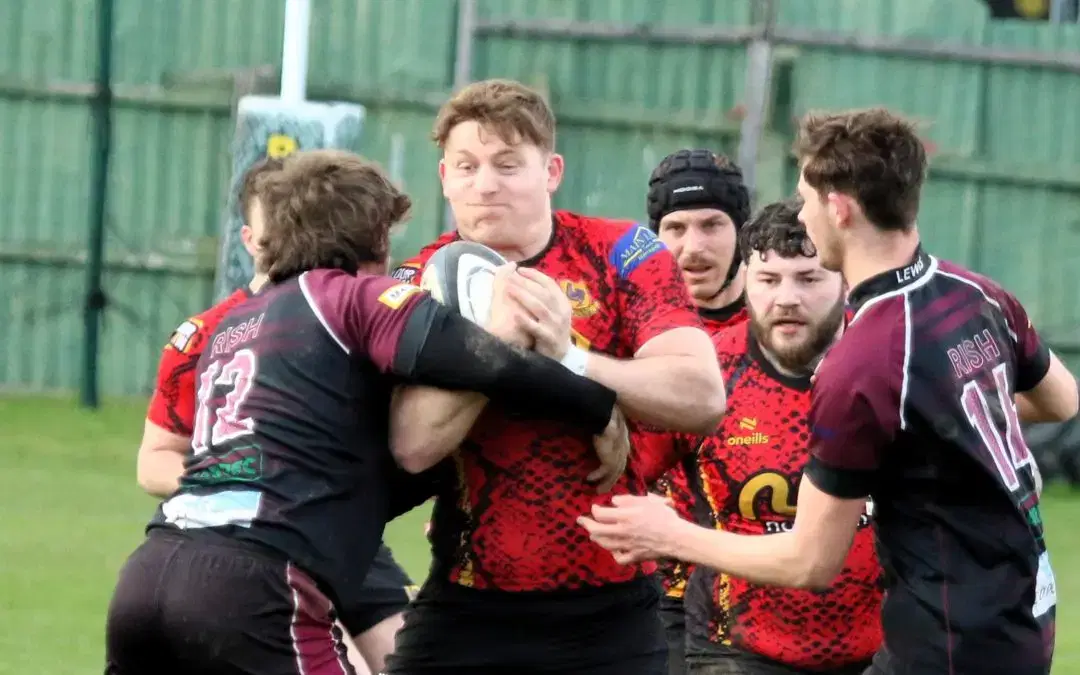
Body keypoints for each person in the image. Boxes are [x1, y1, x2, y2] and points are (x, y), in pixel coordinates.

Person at [579, 107, 1080, 675]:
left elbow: (809, 562)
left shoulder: (862, 361)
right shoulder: (977, 294)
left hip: (946, 642)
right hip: (1022, 618)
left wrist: (670, 534)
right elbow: (1061, 400)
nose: (802, 213)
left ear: (838, 208)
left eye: (805, 197)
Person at [105, 148, 629, 675]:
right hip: (253, 581)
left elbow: (349, 472)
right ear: (372, 234)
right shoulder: (349, 297)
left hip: (148, 575)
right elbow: (480, 357)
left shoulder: (233, 325)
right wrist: (596, 406)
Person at [384, 78, 726, 674]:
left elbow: (701, 397)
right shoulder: (417, 280)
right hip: (467, 604)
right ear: (444, 178)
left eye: (507, 164)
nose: (485, 184)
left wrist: (572, 360)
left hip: (609, 611)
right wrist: (498, 346)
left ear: (552, 171)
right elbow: (413, 445)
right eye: (466, 166)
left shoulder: (621, 252)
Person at [136, 156, 411, 675]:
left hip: (342, 537)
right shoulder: (203, 335)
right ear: (250, 240)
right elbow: (153, 460)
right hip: (250, 551)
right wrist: (250, 486)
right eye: (274, 231)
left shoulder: (353, 309)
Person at [673, 197, 882, 675]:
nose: (787, 298)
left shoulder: (890, 359)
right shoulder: (709, 372)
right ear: (746, 280)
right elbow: (629, 473)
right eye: (769, 280)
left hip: (884, 650)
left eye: (808, 279)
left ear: (845, 280)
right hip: (735, 649)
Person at [641, 148, 751, 675]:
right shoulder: (629, 323)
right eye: (675, 228)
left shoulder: (786, 329)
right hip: (653, 588)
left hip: (756, 588)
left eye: (712, 225)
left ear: (742, 233)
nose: (693, 247)